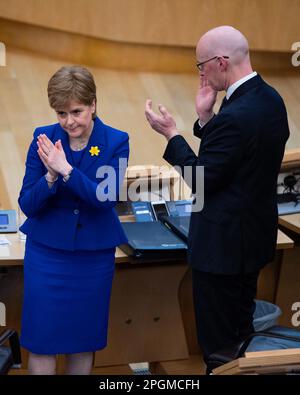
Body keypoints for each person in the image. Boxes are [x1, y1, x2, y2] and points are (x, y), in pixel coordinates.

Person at [145, 26, 289, 372]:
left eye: (201, 65)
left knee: (221, 350)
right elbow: (236, 162)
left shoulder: (237, 115)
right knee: (241, 335)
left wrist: (172, 134)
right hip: (251, 244)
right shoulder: (270, 100)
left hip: (222, 253)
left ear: (221, 62)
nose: (200, 73)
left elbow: (201, 179)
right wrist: (207, 118)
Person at [18, 65, 129, 374]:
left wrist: (65, 170)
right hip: (46, 254)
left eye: (76, 111)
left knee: (82, 341)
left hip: (92, 257)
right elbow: (27, 203)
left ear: (93, 105)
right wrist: (50, 178)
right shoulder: (43, 138)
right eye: (61, 114)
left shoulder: (117, 142)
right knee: (43, 340)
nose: (69, 122)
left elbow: (103, 199)